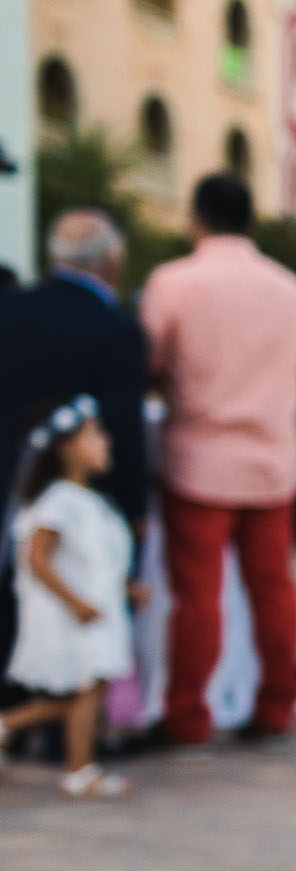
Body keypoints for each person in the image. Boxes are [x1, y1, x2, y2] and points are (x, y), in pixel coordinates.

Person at [140, 173, 296, 748]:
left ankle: (188, 713)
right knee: (275, 589)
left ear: (196, 219)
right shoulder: (291, 288)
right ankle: (277, 706)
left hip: (199, 459)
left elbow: (151, 362)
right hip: (272, 460)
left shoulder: (174, 282)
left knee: (196, 597)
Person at [0, 211, 151, 685]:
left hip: (8, 479)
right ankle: (65, 724)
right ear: (111, 260)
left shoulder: (9, 309)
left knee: (16, 588)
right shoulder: (116, 330)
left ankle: (13, 703)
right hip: (80, 490)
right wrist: (134, 504)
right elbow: (124, 427)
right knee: (77, 593)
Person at [0, 398, 145, 796]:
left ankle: (6, 727)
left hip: (94, 611)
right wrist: (75, 601)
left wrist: (126, 588)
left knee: (85, 693)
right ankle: (79, 770)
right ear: (65, 448)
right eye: (94, 434)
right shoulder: (58, 502)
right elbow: (37, 558)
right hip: (72, 615)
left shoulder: (92, 503)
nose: (106, 441)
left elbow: (98, 562)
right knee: (84, 690)